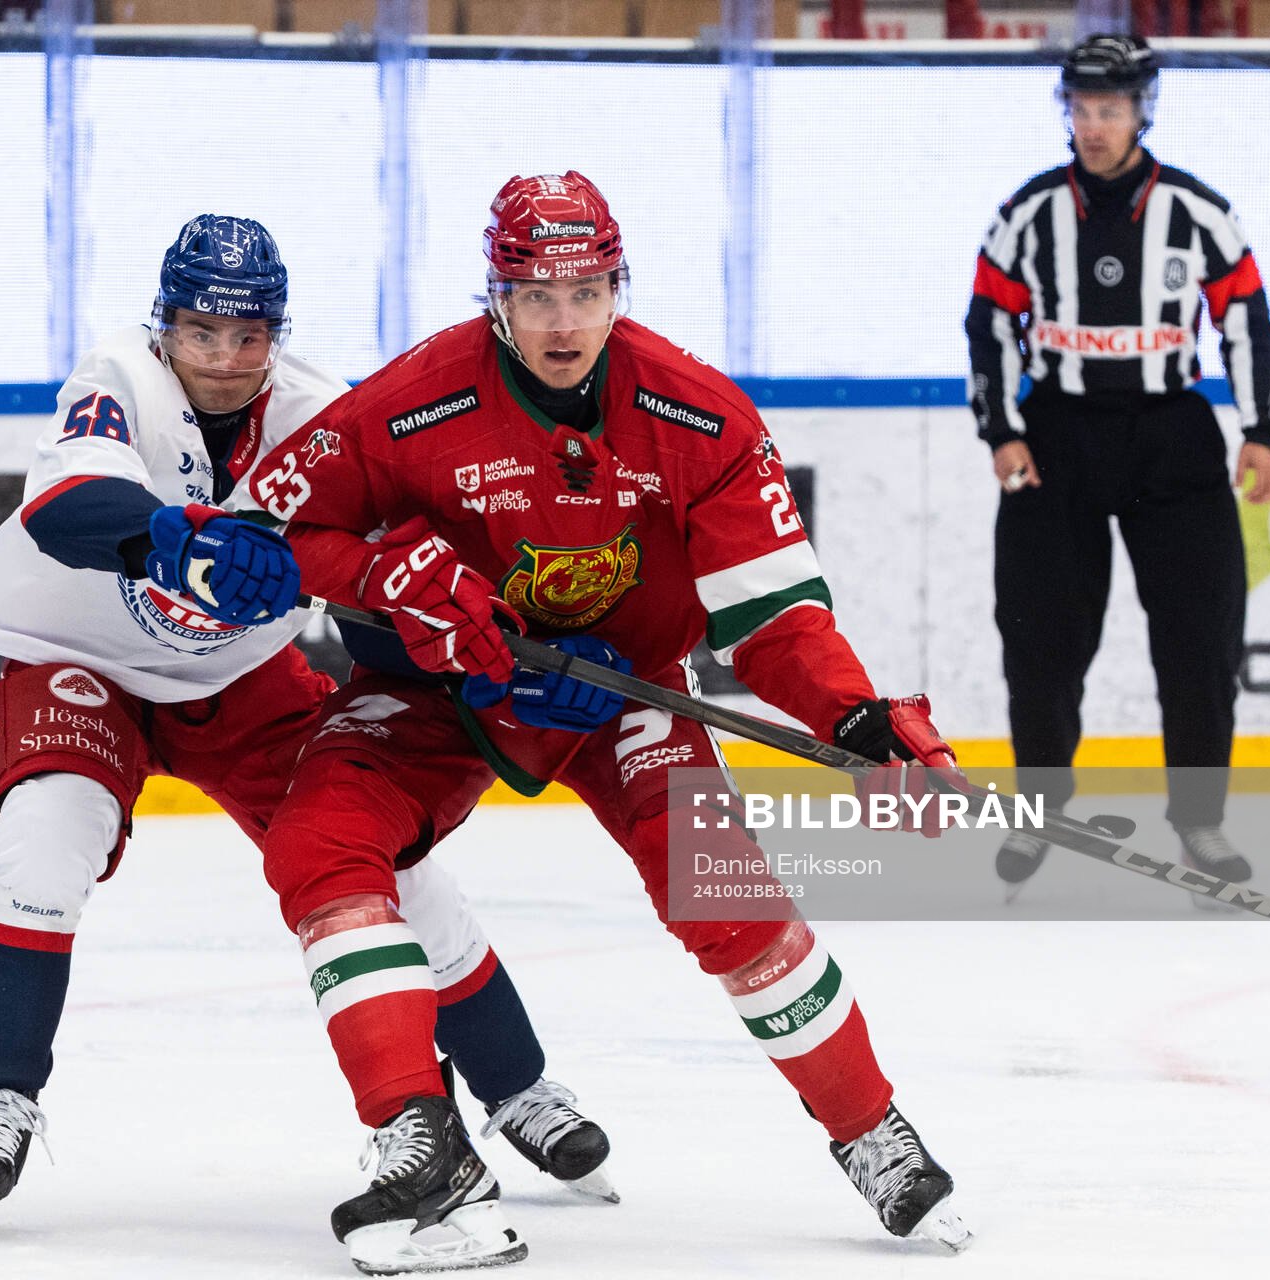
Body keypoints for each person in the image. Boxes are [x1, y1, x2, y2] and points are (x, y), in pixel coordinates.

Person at [250, 172, 971, 1273]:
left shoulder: (697, 413)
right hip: (451, 691)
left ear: (618, 287)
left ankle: (871, 1127)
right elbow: (273, 530)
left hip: (623, 692)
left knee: (726, 895)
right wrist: (390, 571)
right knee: (317, 841)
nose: (563, 320)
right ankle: (420, 1138)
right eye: (535, 295)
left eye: (587, 290)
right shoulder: (413, 399)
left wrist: (863, 717)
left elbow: (774, 614)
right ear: (494, 296)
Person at [0, 214, 615, 1237]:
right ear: (163, 324)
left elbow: (387, 595)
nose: (223, 359)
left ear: (277, 333)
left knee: (379, 864)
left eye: (248, 336)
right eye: (201, 332)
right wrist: (168, 538)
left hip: (238, 676)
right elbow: (66, 505)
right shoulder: (119, 373)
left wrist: (473, 658)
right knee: (46, 833)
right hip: (75, 655)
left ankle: (516, 1084)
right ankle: (1, 1091)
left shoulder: (325, 418)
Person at [966, 33, 1270, 896]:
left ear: (1143, 111)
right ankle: (1039, 811)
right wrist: (1002, 430)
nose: (1094, 126)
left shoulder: (1198, 212)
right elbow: (990, 322)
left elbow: (1246, 320)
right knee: (1039, 634)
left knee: (1199, 636)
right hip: (1057, 435)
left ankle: (1200, 819)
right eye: (1080, 109)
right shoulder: (1029, 214)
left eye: (1110, 110)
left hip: (1171, 435)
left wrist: (1259, 428)